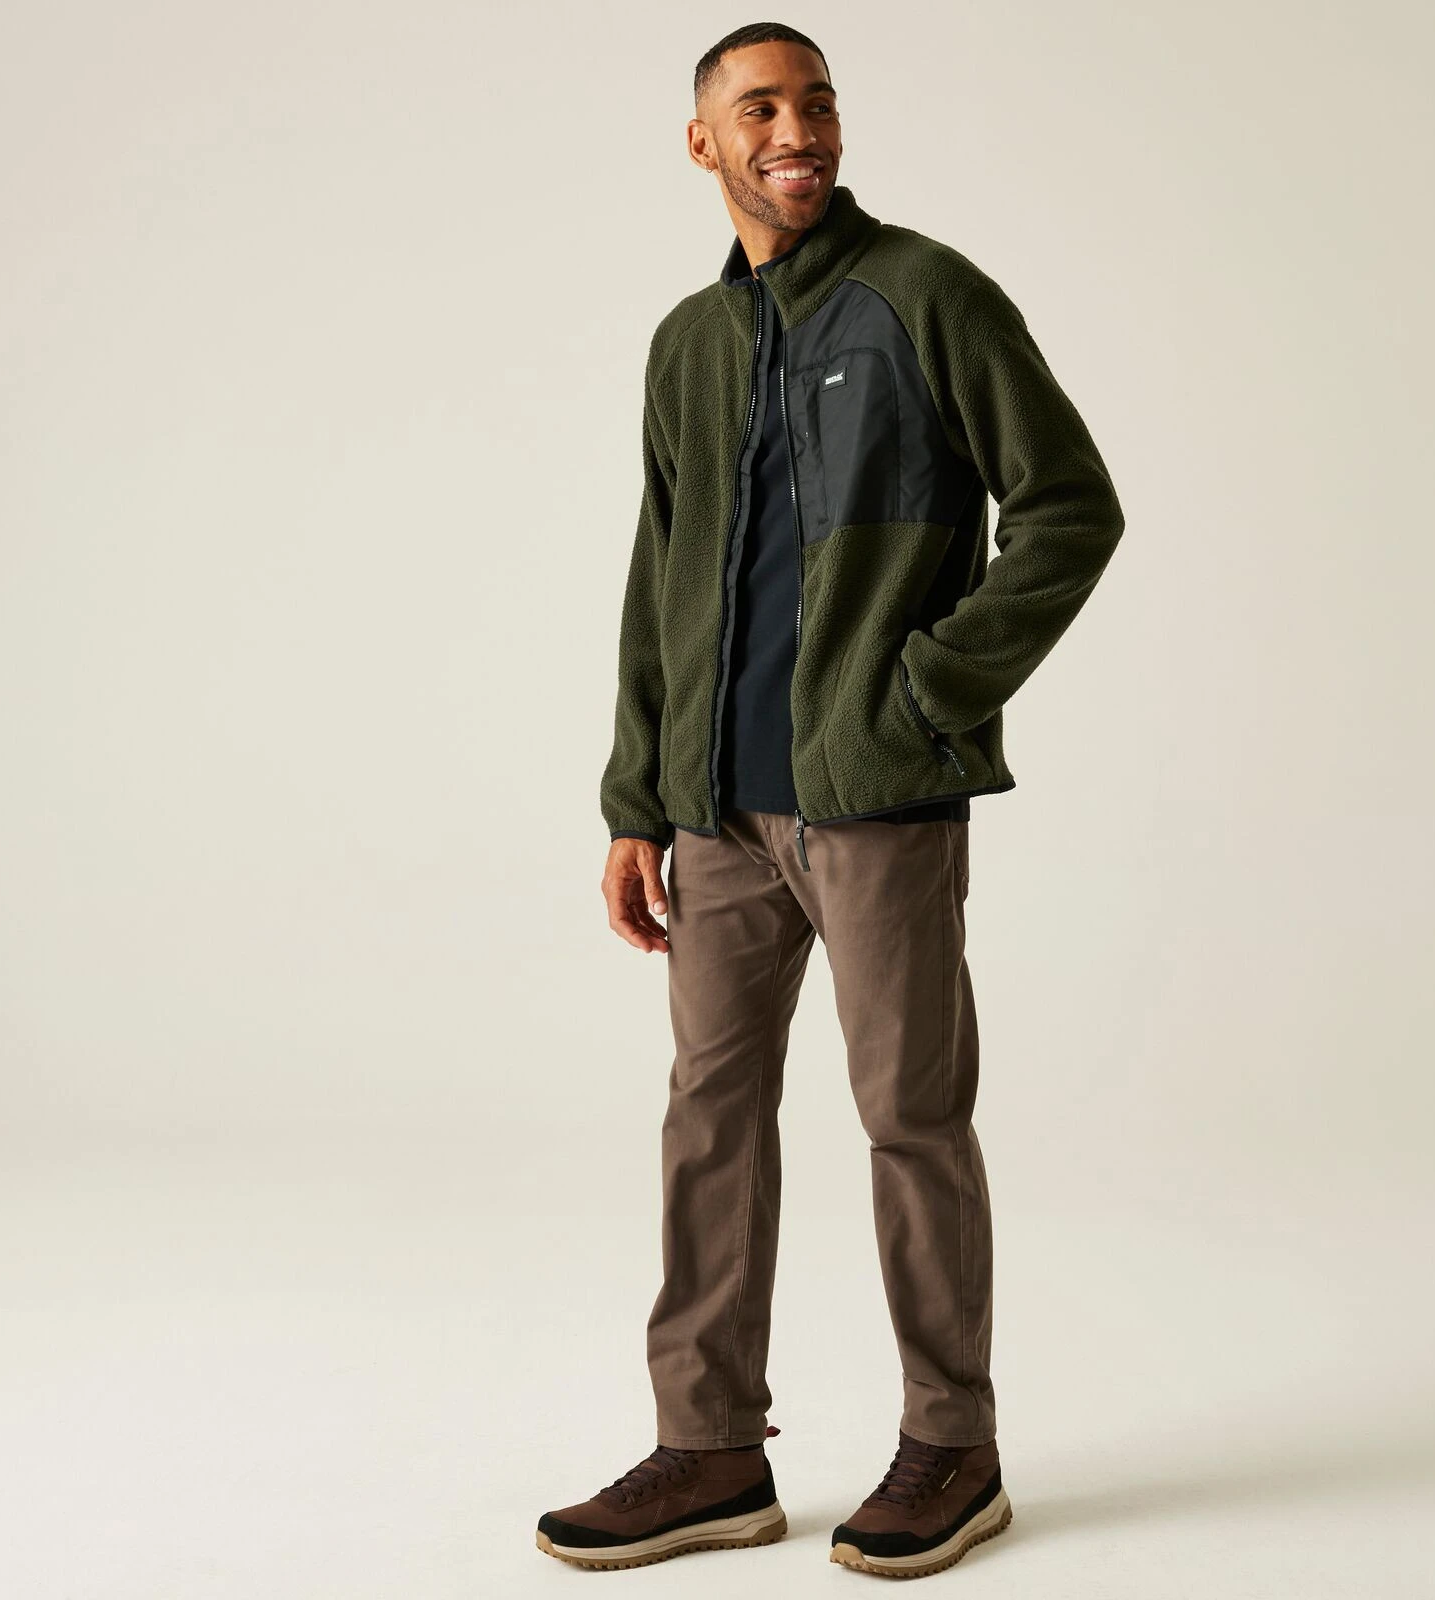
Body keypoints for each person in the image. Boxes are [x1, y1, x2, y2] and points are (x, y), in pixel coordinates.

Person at [538, 20, 1126, 1580]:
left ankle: (953, 1445)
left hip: (876, 803)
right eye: (759, 108)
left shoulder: (926, 295)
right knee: (708, 1119)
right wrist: (635, 799)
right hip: (717, 811)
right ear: (704, 143)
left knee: (909, 1118)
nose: (795, 129)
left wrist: (931, 693)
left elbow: (1070, 506)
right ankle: (710, 1448)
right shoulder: (688, 343)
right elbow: (662, 576)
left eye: (815, 102)